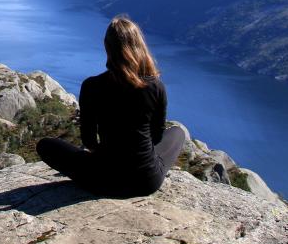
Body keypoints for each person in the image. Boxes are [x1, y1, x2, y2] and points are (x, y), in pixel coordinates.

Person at [36, 15, 185, 197]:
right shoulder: (155, 86)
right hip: (146, 180)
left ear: (108, 48)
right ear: (139, 46)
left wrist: (106, 156)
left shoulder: (92, 86)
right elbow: (157, 136)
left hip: (103, 179)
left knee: (45, 145)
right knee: (177, 133)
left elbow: (89, 141)